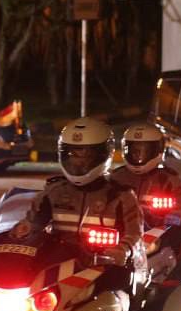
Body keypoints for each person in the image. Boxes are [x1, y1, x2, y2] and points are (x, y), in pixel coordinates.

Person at [19, 118, 144, 288]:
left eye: (86, 156)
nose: (78, 162)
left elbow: (134, 234)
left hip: (104, 269)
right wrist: (19, 232)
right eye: (72, 155)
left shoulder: (121, 195)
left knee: (114, 298)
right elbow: (32, 226)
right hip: (56, 267)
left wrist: (123, 249)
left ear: (104, 155)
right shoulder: (53, 192)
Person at [111, 123, 181, 272]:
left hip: (157, 232)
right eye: (134, 151)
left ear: (157, 150)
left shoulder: (169, 180)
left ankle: (172, 273)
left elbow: (180, 208)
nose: (138, 156)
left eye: (144, 151)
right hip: (124, 231)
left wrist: (172, 219)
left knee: (176, 235)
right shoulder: (116, 177)